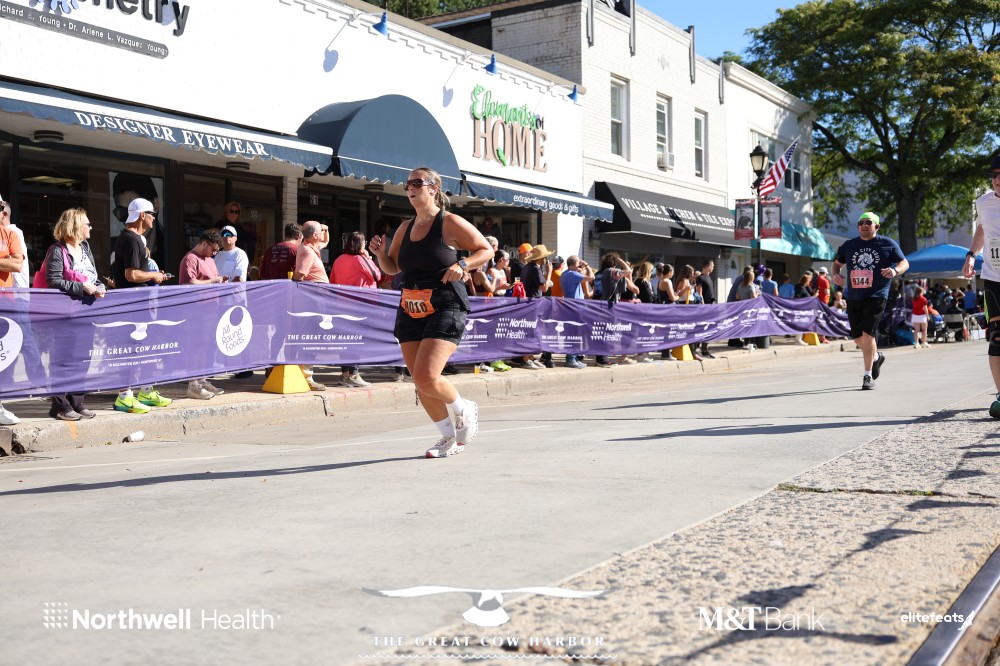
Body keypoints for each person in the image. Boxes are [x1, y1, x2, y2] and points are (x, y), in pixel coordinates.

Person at [367, 166, 493, 459]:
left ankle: (463, 408)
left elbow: (485, 249)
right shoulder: (404, 227)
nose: (410, 188)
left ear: (434, 188)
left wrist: (462, 264)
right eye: (407, 184)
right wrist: (381, 255)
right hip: (411, 304)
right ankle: (448, 437)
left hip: (445, 303)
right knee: (419, 382)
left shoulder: (449, 222)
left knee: (427, 376)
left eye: (417, 182)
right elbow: (392, 268)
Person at [41, 208, 107, 419]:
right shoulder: (57, 250)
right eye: (87, 223)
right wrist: (82, 288)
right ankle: (61, 405)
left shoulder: (85, 247)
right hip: (65, 314)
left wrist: (99, 286)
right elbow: (54, 281)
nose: (91, 227)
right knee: (62, 359)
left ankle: (77, 403)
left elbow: (91, 276)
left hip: (86, 311)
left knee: (82, 358)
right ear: (76, 226)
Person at [832, 211, 909, 390]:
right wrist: (835, 274)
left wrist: (895, 271)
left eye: (868, 222)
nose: (864, 226)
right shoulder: (849, 245)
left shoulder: (887, 244)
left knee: (868, 335)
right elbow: (837, 263)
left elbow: (905, 263)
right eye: (861, 223)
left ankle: (867, 376)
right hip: (854, 296)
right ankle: (875, 357)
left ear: (877, 226)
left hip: (877, 294)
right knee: (858, 339)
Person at [111, 198, 173, 414]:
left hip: (138, 304)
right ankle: (124, 397)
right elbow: (132, 274)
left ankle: (146, 391)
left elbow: (135, 273)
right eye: (151, 213)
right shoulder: (130, 239)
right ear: (142, 215)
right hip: (131, 305)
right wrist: (154, 275)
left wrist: (154, 275)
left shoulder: (134, 239)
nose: (154, 217)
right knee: (130, 351)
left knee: (144, 351)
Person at [963, 156, 1000, 417]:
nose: (998, 179)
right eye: (994, 175)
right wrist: (970, 255)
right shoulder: (983, 202)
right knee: (997, 337)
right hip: (993, 277)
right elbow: (982, 229)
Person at [178, 228, 228, 399]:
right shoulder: (190, 259)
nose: (214, 253)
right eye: (213, 249)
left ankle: (202, 380)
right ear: (205, 243)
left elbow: (213, 279)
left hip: (210, 309)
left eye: (217, 251)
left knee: (205, 346)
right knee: (194, 347)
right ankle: (193, 385)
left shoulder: (210, 260)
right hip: (195, 310)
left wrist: (220, 281)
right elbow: (189, 283)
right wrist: (212, 281)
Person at [329, 231, 379, 388]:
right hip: (360, 307)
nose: (366, 245)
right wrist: (367, 257)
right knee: (357, 340)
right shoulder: (360, 259)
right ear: (360, 244)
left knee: (345, 342)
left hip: (341, 306)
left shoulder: (338, 260)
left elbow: (332, 282)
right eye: (365, 243)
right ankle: (354, 374)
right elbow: (377, 275)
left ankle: (345, 375)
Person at [292, 220, 332, 391]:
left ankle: (305, 374)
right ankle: (307, 378)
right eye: (320, 231)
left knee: (310, 338)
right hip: (312, 301)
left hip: (314, 300)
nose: (323, 233)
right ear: (315, 235)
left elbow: (326, 241)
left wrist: (326, 229)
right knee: (310, 339)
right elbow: (299, 275)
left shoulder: (311, 246)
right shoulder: (308, 251)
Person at [0, 197, 25, 425]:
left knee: (4, 356)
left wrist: (9, 260)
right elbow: (10, 262)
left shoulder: (10, 235)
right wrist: (4, 260)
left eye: (1, 208)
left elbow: (17, 264)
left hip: (5, 303)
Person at [520, 244, 555, 369]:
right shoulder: (535, 268)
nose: (547, 260)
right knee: (530, 331)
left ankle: (530, 357)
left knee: (531, 330)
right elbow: (544, 287)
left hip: (529, 303)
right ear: (542, 258)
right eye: (545, 257)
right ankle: (526, 359)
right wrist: (549, 272)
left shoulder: (528, 267)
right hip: (533, 303)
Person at [560, 255, 594, 369]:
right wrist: (587, 266)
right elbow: (591, 277)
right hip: (574, 308)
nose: (580, 265)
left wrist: (581, 270)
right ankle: (571, 359)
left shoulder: (566, 274)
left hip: (571, 306)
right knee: (573, 333)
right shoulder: (572, 274)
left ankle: (573, 358)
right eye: (578, 263)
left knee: (573, 333)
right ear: (575, 264)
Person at [215, 201, 258, 267]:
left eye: (236, 212)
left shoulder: (240, 227)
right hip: (225, 256)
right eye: (231, 211)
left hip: (238, 256)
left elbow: (245, 245)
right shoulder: (221, 224)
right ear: (226, 212)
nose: (234, 214)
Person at [694, 259, 716, 357]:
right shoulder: (700, 278)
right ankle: (695, 349)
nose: (713, 267)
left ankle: (704, 349)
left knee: (708, 329)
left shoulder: (709, 278)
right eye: (712, 265)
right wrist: (703, 306)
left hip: (711, 305)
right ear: (708, 266)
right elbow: (699, 293)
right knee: (701, 328)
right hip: (705, 306)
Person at [910, 285, 930, 349]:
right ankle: (924, 342)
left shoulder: (913, 298)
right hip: (922, 315)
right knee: (924, 330)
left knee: (916, 330)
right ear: (921, 292)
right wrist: (927, 316)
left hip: (915, 315)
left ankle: (916, 343)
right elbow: (925, 308)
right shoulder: (923, 299)